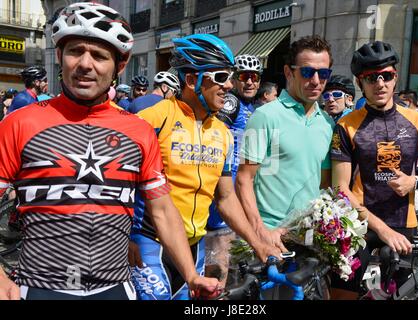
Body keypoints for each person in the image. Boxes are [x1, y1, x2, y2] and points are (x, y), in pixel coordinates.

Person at [0, 2, 219, 300]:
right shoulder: (19, 123)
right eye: (75, 51)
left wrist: (191, 274)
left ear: (120, 66)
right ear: (61, 57)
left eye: (100, 56)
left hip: (114, 287)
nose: (85, 64)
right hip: (38, 286)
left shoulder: (139, 130)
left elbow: (163, 211)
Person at [129, 34, 281, 300]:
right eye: (221, 77)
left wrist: (258, 243)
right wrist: (126, 236)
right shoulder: (154, 119)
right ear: (191, 80)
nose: (230, 85)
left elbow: (225, 198)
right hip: (149, 242)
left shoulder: (222, 132)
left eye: (230, 77)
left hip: (195, 246)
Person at [330, 41, 418, 299]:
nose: (380, 83)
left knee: (396, 296)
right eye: (371, 77)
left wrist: (413, 182)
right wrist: (382, 230)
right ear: (360, 83)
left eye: (387, 75)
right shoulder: (346, 125)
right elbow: (340, 189)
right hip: (358, 225)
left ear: (395, 78)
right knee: (341, 294)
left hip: (403, 225)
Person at [236, 35, 335, 252]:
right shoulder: (264, 116)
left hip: (310, 238)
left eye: (324, 73)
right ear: (289, 72)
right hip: (268, 238)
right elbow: (244, 179)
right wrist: (261, 231)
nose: (316, 81)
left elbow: (324, 184)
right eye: (308, 72)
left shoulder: (327, 124)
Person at [205, 54, 263, 286]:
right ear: (235, 79)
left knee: (236, 267)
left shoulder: (254, 106)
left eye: (254, 77)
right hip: (224, 188)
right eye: (244, 77)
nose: (249, 82)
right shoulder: (232, 102)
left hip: (242, 189)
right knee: (218, 269)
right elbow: (215, 133)